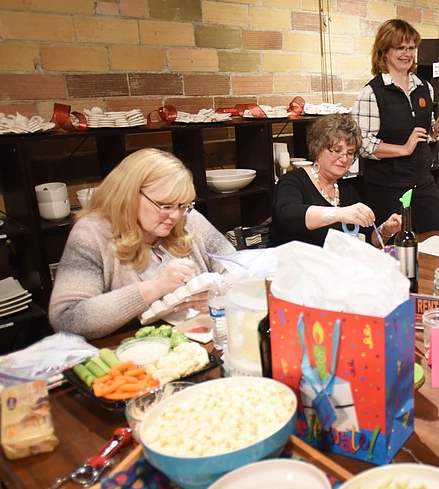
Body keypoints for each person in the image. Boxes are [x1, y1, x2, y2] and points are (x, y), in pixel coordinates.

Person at [49, 148, 236, 339]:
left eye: (183, 205)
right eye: (165, 205)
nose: (175, 215)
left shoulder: (186, 218)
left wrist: (218, 292)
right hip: (134, 350)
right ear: (129, 195)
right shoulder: (91, 234)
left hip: (202, 340)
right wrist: (154, 288)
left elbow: (239, 268)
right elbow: (66, 318)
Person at [352, 19, 439, 234]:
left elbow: (423, 135)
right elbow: (362, 145)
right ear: (384, 52)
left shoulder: (424, 88)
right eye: (400, 48)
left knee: (438, 238)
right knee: (392, 250)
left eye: (411, 48)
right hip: (387, 189)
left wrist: (436, 128)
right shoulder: (371, 94)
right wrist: (403, 149)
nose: (407, 54)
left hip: (422, 183)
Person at [271, 113, 402, 247]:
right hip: (291, 263)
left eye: (350, 153)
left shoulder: (346, 190)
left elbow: (365, 239)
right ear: (317, 148)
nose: (344, 159)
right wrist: (340, 213)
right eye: (337, 150)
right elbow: (288, 216)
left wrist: (385, 230)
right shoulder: (293, 181)